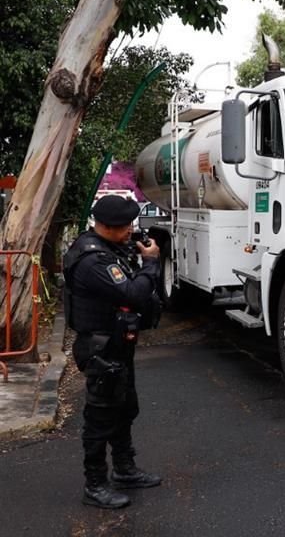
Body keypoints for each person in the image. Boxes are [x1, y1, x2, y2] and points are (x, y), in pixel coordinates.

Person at [63, 195, 163, 509]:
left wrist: (134, 251)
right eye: (126, 226)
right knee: (100, 416)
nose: (131, 230)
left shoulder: (108, 248)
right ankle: (95, 484)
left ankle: (125, 469)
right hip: (100, 348)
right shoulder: (93, 259)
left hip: (118, 343)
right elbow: (133, 294)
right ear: (105, 226)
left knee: (123, 408)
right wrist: (150, 263)